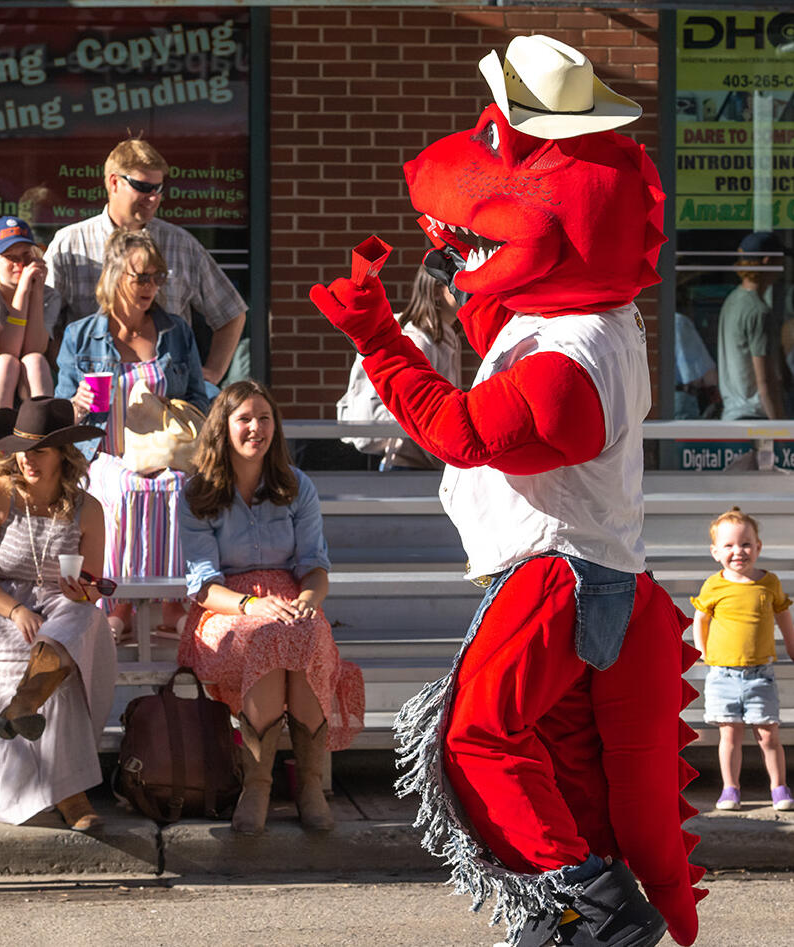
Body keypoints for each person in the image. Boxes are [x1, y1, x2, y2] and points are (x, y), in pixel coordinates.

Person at [312, 36, 704, 947]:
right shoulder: (580, 309)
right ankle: (567, 912)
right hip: (574, 570)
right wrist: (459, 252)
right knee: (566, 767)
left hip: (557, 574)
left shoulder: (576, 352)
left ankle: (592, 905)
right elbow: (499, 312)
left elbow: (468, 430)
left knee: (474, 739)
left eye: (504, 145)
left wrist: (378, 340)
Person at [177, 381, 365, 835]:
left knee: (300, 633)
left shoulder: (296, 486)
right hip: (226, 609)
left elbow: (315, 567)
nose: (255, 428)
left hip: (290, 601)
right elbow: (202, 585)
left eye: (264, 418)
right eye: (244, 418)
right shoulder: (198, 492)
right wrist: (253, 605)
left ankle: (310, 787)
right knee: (267, 637)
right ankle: (257, 785)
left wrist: (306, 602)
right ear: (225, 426)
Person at [0, 397, 115, 829]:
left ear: (63, 454)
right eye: (21, 448)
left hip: (58, 612)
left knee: (82, 627)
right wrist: (16, 609)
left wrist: (81, 591)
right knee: (53, 669)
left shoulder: (89, 509)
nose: (26, 459)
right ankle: (71, 796)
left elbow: (92, 591)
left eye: (39, 450)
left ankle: (25, 710)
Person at [56, 229, 210, 640]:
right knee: (123, 489)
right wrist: (77, 402)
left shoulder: (175, 331)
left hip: (165, 451)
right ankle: (117, 603)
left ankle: (173, 602)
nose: (150, 287)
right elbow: (60, 410)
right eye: (140, 277)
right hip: (104, 451)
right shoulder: (83, 335)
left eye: (157, 277)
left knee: (177, 487)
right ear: (114, 275)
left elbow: (197, 396)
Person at [45, 137, 247, 388]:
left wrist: (213, 373)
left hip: (169, 397)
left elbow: (231, 312)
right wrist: (70, 371)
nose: (153, 198)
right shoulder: (70, 244)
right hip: (96, 394)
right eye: (142, 187)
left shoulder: (180, 244)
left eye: (158, 189)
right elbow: (44, 325)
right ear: (114, 182)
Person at [691, 507, 794, 812]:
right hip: (723, 674)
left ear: (758, 547)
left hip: (760, 674)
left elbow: (783, 615)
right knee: (730, 735)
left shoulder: (768, 583)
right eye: (729, 545)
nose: (739, 551)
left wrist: (791, 645)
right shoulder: (714, 585)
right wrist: (702, 652)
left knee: (768, 735)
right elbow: (701, 618)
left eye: (746, 544)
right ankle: (730, 788)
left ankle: (778, 787)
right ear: (715, 552)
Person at [0, 217, 62, 499]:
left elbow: (35, 347)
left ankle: (48, 448)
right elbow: (7, 347)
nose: (19, 264)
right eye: (10, 257)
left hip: (24, 393)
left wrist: (36, 291)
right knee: (8, 362)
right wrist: (22, 294)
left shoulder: (49, 296)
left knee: (35, 361)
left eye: (25, 256)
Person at [338, 265, 463, 468]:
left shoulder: (447, 339)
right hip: (409, 464)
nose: (469, 290)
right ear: (436, 291)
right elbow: (418, 409)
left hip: (426, 461)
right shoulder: (419, 341)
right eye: (459, 282)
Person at [717, 231, 787, 420]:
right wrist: (782, 432)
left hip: (732, 417)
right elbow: (765, 383)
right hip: (754, 421)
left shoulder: (732, 301)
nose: (784, 266)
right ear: (767, 262)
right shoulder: (758, 311)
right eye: (781, 261)